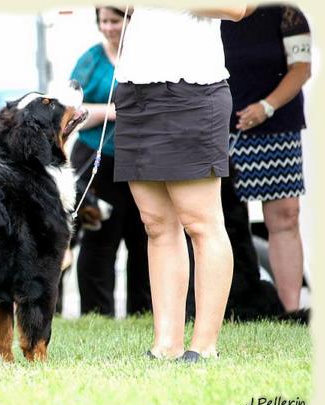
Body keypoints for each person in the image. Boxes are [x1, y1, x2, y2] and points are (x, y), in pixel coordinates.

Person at [113, 6, 246, 362]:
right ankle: (166, 343)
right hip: (135, 90)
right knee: (156, 225)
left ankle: (204, 346)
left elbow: (236, 8)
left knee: (201, 223)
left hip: (192, 89)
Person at [221, 5, 312, 312]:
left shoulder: (286, 11)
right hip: (221, 127)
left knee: (285, 216)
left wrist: (267, 107)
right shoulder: (212, 11)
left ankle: (290, 309)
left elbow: (302, 67)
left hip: (276, 125)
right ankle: (227, 308)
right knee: (220, 220)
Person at [69, 6, 151, 317]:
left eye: (115, 21)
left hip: (141, 162)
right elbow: (71, 113)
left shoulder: (146, 54)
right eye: (103, 21)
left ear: (130, 20)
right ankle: (96, 313)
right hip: (98, 162)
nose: (109, 28)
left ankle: (144, 312)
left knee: (143, 239)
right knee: (98, 242)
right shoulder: (90, 60)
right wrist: (113, 111)